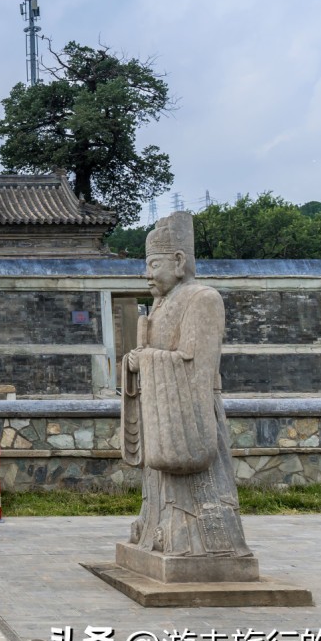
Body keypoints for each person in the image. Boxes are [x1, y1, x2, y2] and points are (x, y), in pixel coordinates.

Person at [121, 211, 251, 559]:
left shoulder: (202, 299)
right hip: (163, 412)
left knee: (200, 486)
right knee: (158, 483)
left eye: (154, 264)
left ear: (179, 261)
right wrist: (137, 362)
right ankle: (154, 526)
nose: (147, 274)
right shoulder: (160, 304)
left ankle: (200, 540)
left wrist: (147, 360)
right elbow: (161, 356)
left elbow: (195, 365)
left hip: (191, 413)